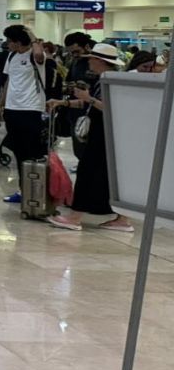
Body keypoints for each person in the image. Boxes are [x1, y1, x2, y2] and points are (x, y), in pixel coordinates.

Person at [48, 44, 133, 232]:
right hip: (103, 134)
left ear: (101, 61)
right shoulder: (103, 79)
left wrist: (88, 99)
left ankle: (76, 217)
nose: (88, 62)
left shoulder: (110, 81)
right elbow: (90, 104)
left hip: (103, 136)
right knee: (108, 176)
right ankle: (122, 218)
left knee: (88, 173)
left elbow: (110, 107)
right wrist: (65, 102)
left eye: (92, 59)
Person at [0, 25, 48, 203]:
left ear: (18, 42)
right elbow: (8, 82)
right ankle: (23, 189)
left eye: (9, 41)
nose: (7, 44)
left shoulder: (35, 56)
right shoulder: (11, 56)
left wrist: (31, 34)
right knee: (18, 153)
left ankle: (37, 192)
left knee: (31, 153)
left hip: (31, 110)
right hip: (12, 110)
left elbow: (40, 54)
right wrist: (0, 106)